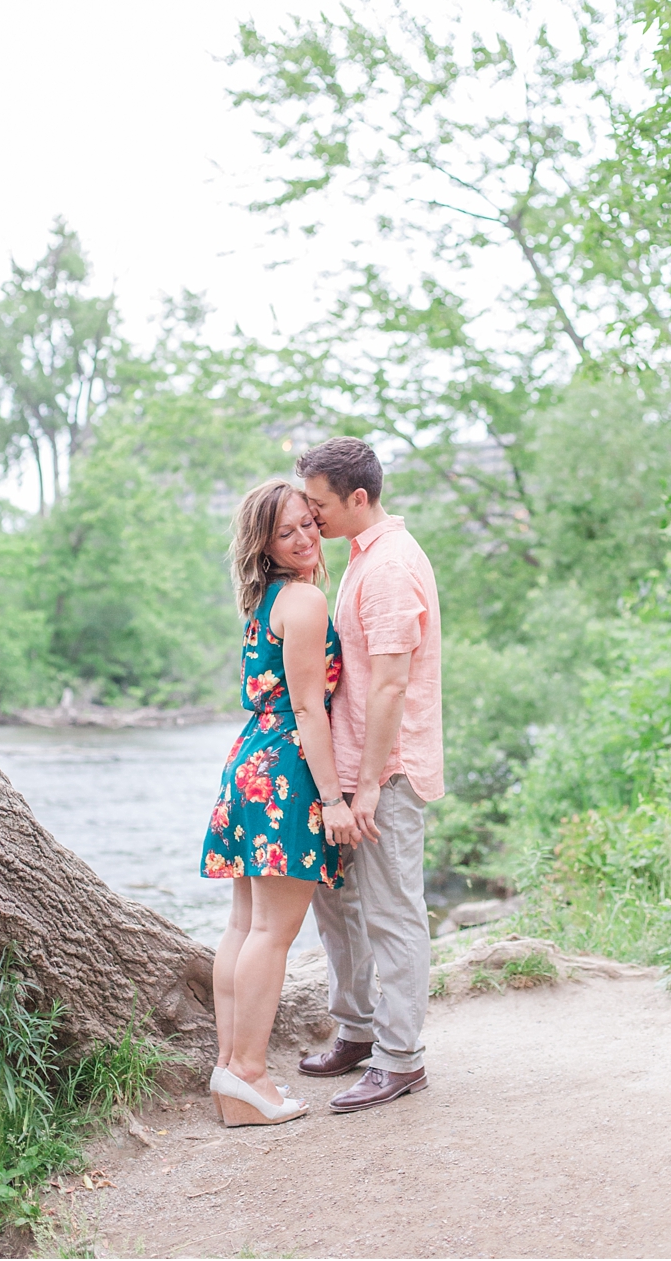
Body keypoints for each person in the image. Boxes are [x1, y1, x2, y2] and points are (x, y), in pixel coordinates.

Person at [292, 436, 445, 1113]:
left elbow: (389, 686)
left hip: (385, 770)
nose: (310, 515)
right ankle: (356, 1031)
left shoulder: (388, 568)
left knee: (391, 912)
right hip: (351, 770)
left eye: (319, 503)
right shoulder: (362, 557)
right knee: (340, 907)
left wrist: (373, 783)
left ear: (358, 497)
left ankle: (401, 1057)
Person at [202, 479, 356, 1127]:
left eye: (307, 524)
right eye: (286, 531)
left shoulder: (266, 599)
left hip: (249, 764)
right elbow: (307, 707)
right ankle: (249, 1073)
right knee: (271, 930)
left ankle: (230, 1072)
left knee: (244, 925)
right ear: (264, 542)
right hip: (287, 770)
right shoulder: (305, 597)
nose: (304, 538)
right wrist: (335, 799)